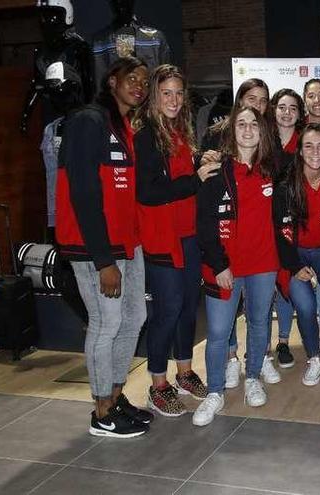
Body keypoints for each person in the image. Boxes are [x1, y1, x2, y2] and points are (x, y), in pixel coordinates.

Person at [56, 55, 153, 437]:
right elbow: (82, 190)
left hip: (127, 244)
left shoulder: (122, 126)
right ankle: (100, 412)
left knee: (134, 319)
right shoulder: (87, 120)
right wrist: (102, 260)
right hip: (96, 248)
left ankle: (114, 396)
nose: (139, 87)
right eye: (132, 78)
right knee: (106, 322)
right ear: (111, 80)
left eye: (144, 82)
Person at [133, 64, 220, 417]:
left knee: (187, 309)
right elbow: (148, 191)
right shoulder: (147, 135)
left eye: (178, 93)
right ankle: (158, 384)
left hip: (187, 235)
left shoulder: (179, 132)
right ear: (154, 96)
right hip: (161, 239)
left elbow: (179, 172)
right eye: (166, 92)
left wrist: (201, 159)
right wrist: (196, 178)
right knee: (166, 312)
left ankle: (184, 371)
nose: (173, 99)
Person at [195, 106, 281, 424]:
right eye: (241, 124)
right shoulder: (216, 172)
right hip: (225, 268)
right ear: (232, 132)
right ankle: (215, 391)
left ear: (262, 132)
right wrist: (219, 265)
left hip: (263, 265)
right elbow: (204, 223)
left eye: (253, 124)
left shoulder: (272, 170)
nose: (247, 130)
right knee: (218, 332)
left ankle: (253, 377)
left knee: (259, 324)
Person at [273, 124, 320, 385]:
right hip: (295, 255)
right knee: (305, 307)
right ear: (299, 151)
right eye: (308, 145)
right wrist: (294, 267)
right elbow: (280, 231)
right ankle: (313, 357)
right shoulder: (285, 186)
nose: (315, 151)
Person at [267, 88, 306, 369]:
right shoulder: (262, 141)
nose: (287, 112)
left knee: (285, 280)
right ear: (274, 109)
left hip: (291, 221)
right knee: (262, 287)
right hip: (259, 222)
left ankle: (282, 341)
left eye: (293, 107)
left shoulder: (304, 142)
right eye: (282, 106)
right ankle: (261, 346)